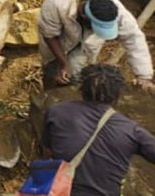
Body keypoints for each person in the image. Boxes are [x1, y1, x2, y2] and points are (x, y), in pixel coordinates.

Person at [42, 64, 155, 196]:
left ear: (81, 89)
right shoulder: (132, 130)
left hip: (58, 191)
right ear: (118, 94)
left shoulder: (57, 112)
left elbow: (47, 152)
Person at [37, 0, 154, 91]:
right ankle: (48, 101)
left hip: (86, 46)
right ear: (84, 16)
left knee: (78, 75)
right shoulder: (57, 3)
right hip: (58, 41)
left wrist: (144, 76)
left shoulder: (116, 13)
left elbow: (133, 38)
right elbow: (50, 35)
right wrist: (62, 63)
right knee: (53, 71)